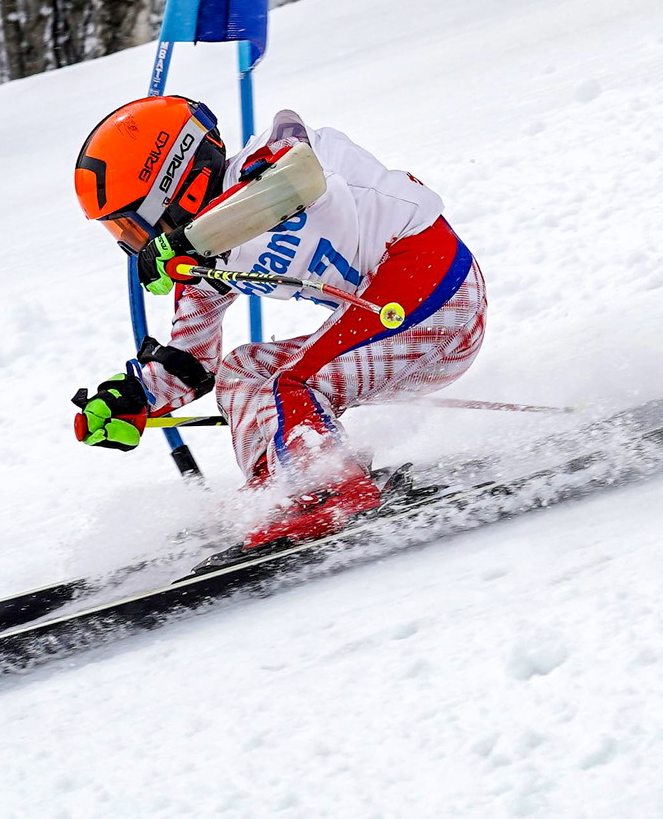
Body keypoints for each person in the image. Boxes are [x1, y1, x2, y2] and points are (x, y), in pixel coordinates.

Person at [72, 95, 486, 547]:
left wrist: (187, 239)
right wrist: (134, 397)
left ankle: (325, 486)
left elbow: (298, 178)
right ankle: (282, 482)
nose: (135, 244)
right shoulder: (199, 258)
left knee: (292, 384)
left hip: (435, 289)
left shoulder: (272, 157)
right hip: (395, 344)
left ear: (173, 187)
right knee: (242, 370)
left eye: (131, 226)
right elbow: (193, 361)